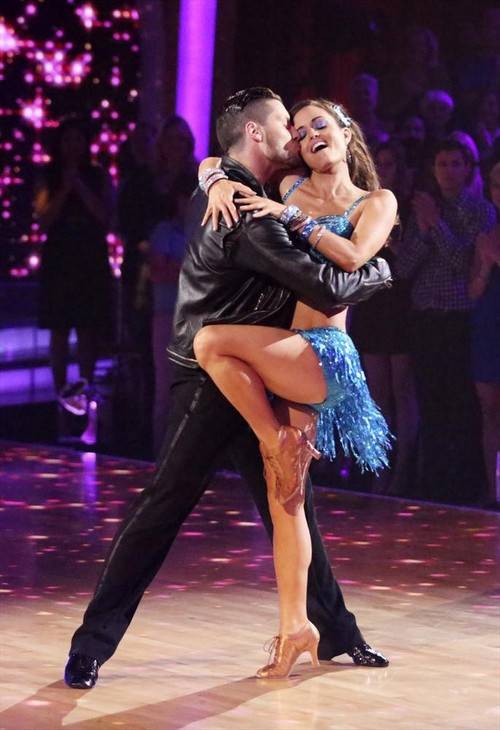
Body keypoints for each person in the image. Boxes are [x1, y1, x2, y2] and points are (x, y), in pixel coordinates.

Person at [64, 87, 391, 690]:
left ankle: (337, 632)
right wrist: (380, 270)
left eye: (310, 127)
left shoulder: (255, 189)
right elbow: (329, 287)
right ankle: (90, 646)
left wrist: (209, 171)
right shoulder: (245, 210)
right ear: (259, 135)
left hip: (262, 371)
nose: (298, 136)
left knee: (291, 503)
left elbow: (215, 158)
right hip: (212, 378)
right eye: (288, 126)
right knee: (164, 505)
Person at [194, 97, 396, 676]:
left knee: (211, 341)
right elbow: (219, 158)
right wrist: (213, 180)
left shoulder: (374, 201)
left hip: (326, 355)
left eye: (319, 125)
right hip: (287, 352)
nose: (309, 136)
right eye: (300, 132)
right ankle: (296, 628)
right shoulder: (287, 184)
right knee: (287, 502)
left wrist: (291, 219)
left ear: (346, 131)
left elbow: (354, 257)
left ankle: (273, 436)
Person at [397, 139, 496, 503]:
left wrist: (436, 224)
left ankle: (464, 486)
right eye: (442, 164)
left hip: (459, 320)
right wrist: (424, 230)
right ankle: (432, 483)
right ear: (433, 169)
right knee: (429, 401)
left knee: (461, 405)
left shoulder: (480, 210)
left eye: (456, 164)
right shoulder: (424, 207)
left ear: (469, 168)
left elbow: (461, 262)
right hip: (425, 319)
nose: (449, 171)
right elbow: (403, 268)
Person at [350, 141, 418, 496]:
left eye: (390, 163)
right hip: (372, 303)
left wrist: (391, 243)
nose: (383, 169)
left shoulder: (411, 206)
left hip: (401, 305)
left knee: (401, 390)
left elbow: (410, 262)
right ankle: (380, 467)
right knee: (377, 393)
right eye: (379, 163)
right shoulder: (364, 204)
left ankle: (404, 468)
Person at [35, 116, 114, 415]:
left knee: (87, 327)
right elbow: (43, 218)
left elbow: (105, 216)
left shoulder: (97, 175)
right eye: (67, 140)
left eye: (78, 139)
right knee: (58, 327)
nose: (73, 146)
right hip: (59, 257)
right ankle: (60, 394)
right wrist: (64, 188)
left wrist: (79, 186)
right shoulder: (48, 175)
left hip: (89, 257)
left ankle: (85, 391)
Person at [469, 161, 500, 507]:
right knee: (490, 409)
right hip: (490, 326)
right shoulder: (488, 234)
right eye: (496, 185)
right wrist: (487, 264)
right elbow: (474, 291)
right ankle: (494, 490)